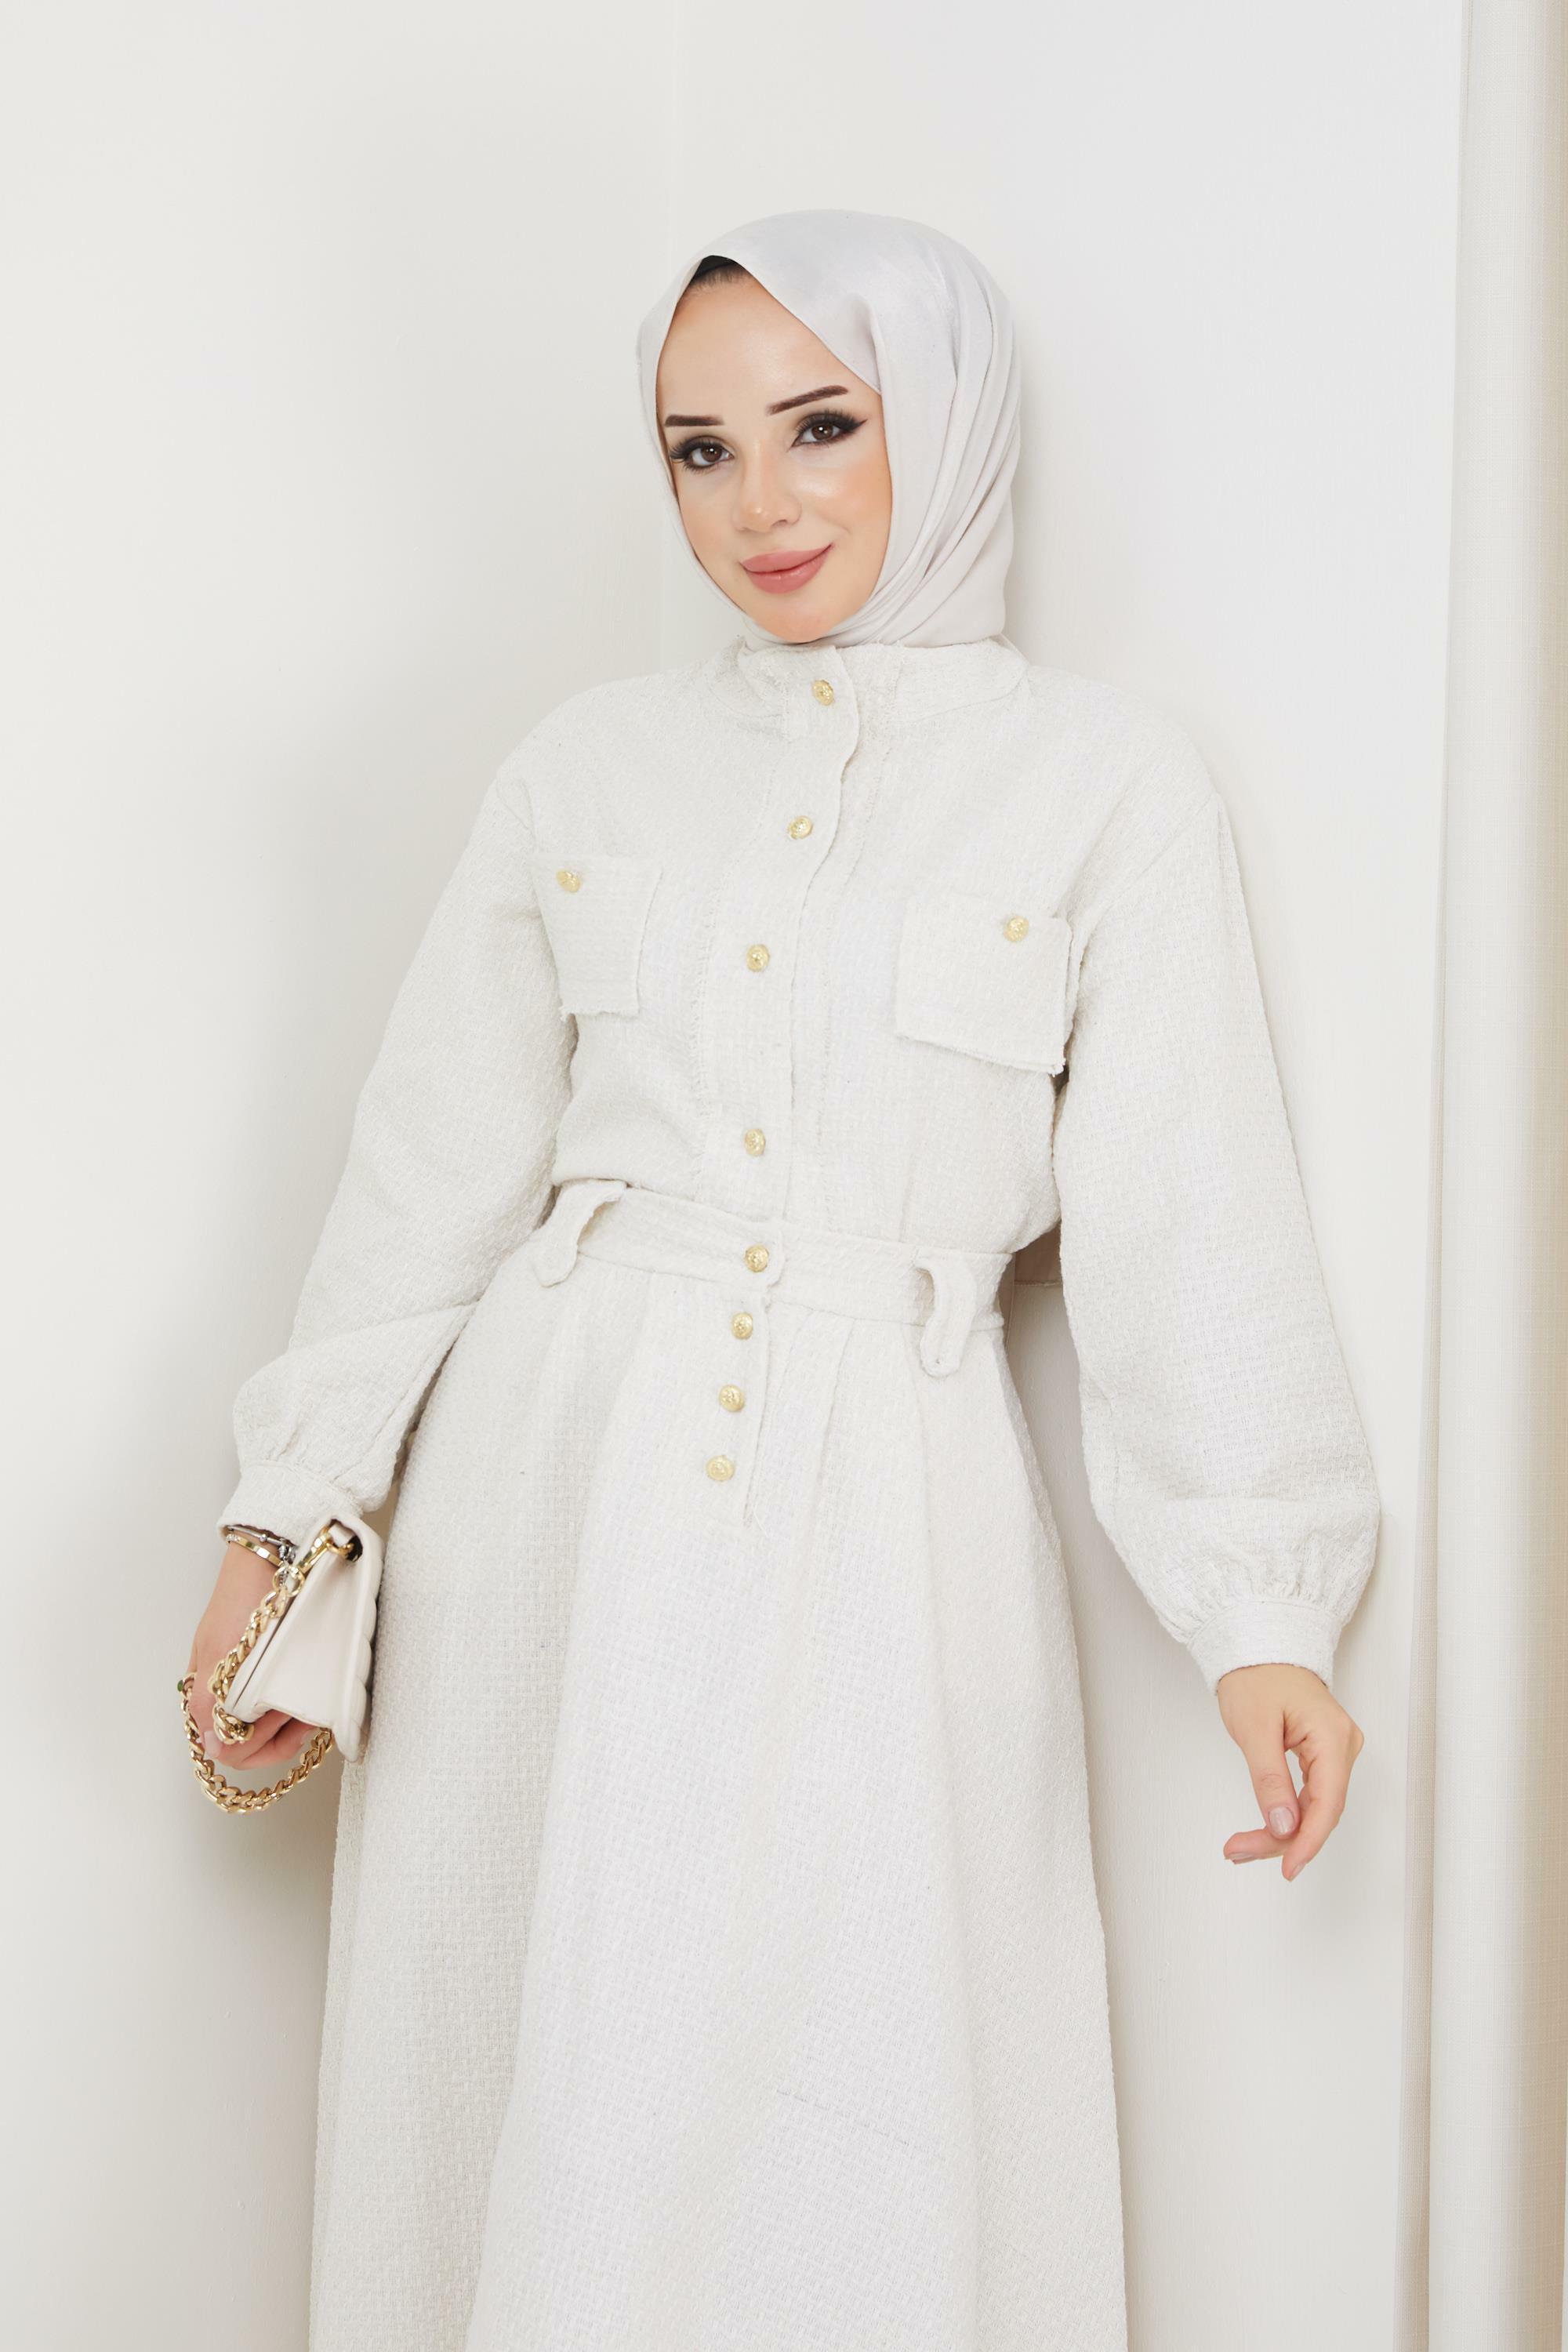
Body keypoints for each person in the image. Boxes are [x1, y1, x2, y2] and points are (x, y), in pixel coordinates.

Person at [185, 208, 1379, 2351]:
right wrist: (284, 1525)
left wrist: (1263, 1614)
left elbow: (1188, 1208)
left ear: (947, 420)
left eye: (823, 425)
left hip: (891, 1527)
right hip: (545, 1498)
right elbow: (426, 1178)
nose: (762, 503)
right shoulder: (583, 767)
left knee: (863, 2101)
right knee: (528, 2073)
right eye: (700, 450)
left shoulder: (1103, 785)